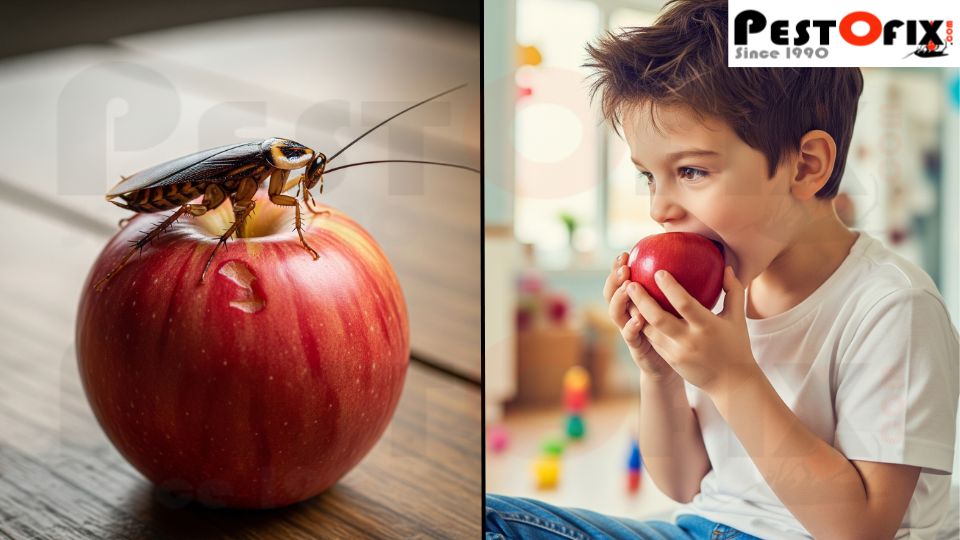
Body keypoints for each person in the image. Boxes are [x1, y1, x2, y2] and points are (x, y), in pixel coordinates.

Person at [485, 0, 960, 538]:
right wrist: (658, 373)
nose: (659, 208)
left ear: (806, 166)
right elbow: (684, 484)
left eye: (690, 170)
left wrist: (732, 377)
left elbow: (863, 527)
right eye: (649, 176)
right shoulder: (724, 297)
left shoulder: (892, 307)